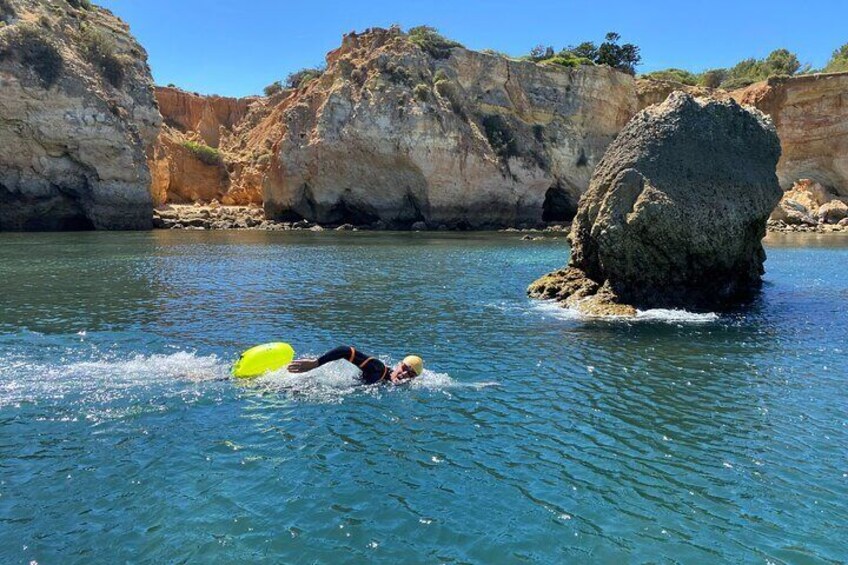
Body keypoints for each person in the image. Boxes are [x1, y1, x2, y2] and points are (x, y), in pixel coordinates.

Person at [287, 345, 423, 384]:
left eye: (410, 375)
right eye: (405, 368)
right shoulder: (378, 369)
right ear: (399, 364)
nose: (404, 374)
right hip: (315, 385)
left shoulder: (393, 384)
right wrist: (316, 363)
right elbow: (345, 350)